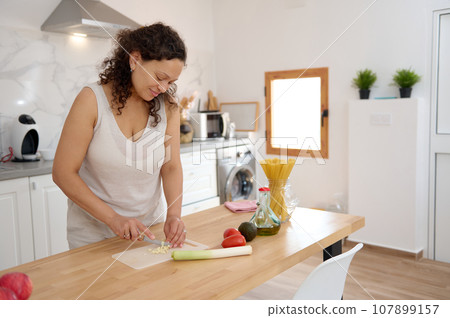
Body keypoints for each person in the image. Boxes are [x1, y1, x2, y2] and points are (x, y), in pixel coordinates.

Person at [53, 22, 187, 249]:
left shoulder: (169, 107)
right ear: (134, 59)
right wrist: (113, 219)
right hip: (93, 237)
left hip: (148, 233)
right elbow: (63, 173)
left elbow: (171, 166)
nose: (164, 88)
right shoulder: (91, 100)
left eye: (170, 82)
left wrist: (174, 214)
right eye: (160, 77)